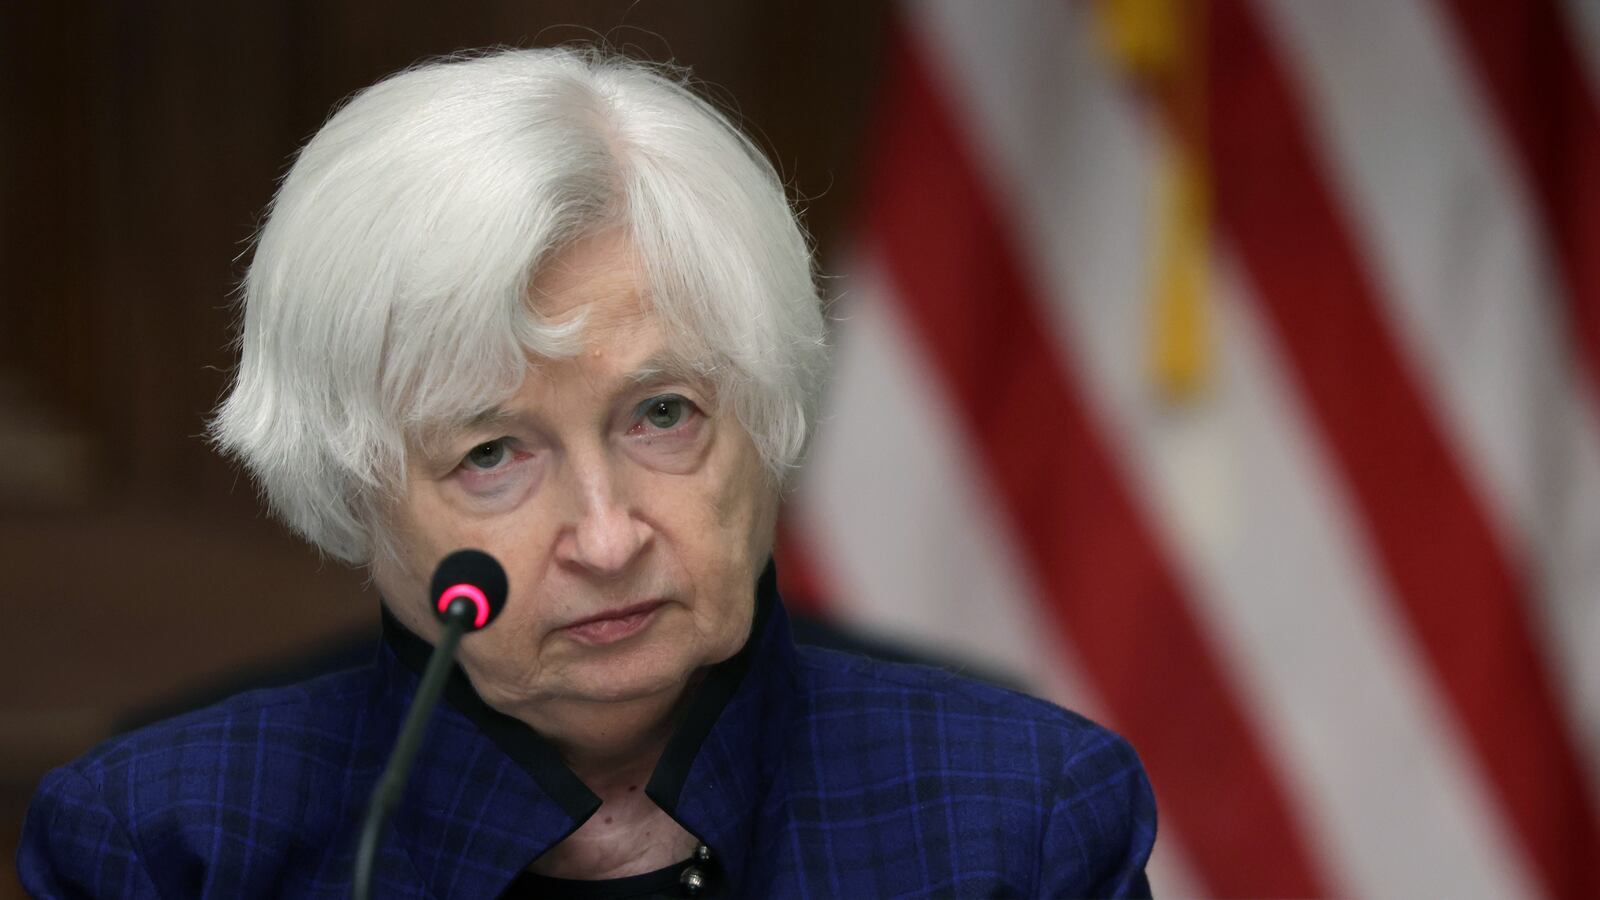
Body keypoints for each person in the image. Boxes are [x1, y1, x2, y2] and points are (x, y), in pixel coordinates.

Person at [18, 47, 1156, 897]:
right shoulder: (163, 845)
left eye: (663, 415)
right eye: (492, 454)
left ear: (764, 414)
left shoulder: (1021, 817)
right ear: (353, 491)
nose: (607, 539)